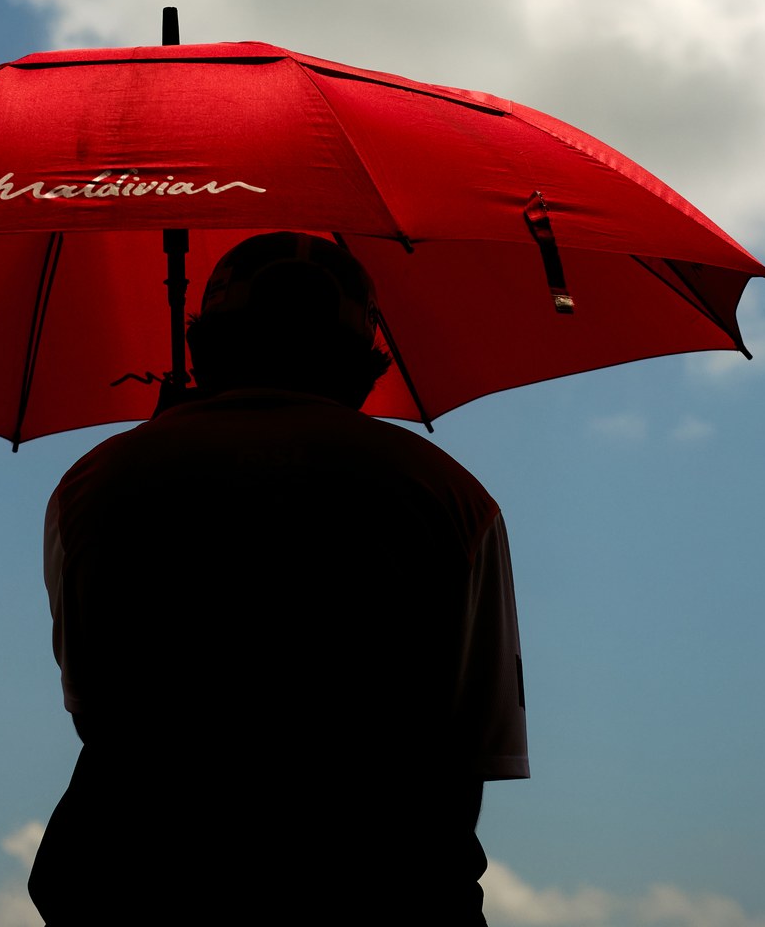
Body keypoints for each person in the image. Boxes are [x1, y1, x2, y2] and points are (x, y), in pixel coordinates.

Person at [29, 232, 528, 924]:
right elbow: (472, 745)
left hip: (132, 883)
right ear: (369, 363)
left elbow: (92, 702)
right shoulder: (449, 494)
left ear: (203, 347)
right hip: (384, 887)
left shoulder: (94, 483)